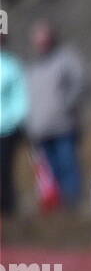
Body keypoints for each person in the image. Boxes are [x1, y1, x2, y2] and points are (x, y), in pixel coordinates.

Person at [25, 20, 86, 206]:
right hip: (42, 130)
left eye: (43, 38)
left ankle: (74, 205)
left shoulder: (66, 59)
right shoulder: (34, 68)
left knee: (68, 167)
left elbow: (80, 83)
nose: (40, 43)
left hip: (64, 126)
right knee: (51, 173)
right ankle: (59, 209)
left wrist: (65, 105)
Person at [0, 35, 29, 216]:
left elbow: (21, 98)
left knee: (4, 171)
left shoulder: (11, 66)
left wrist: (15, 120)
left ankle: (7, 209)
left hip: (6, 129)